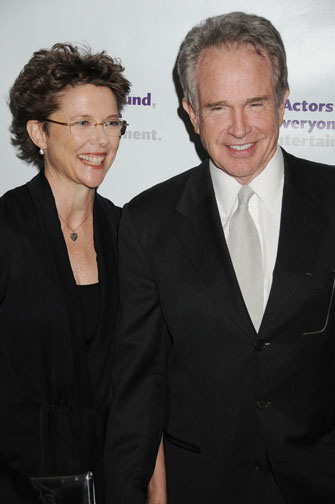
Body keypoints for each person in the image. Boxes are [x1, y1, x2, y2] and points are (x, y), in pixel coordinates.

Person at [104, 11, 335, 504]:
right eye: (217, 108)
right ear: (190, 112)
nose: (239, 129)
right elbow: (138, 388)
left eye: (255, 103)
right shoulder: (147, 222)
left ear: (284, 101)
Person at [0, 43, 165, 503]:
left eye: (111, 123)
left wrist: (157, 490)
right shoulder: (6, 230)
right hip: (17, 484)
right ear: (38, 132)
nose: (101, 140)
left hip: (116, 481)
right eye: (82, 123)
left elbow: (144, 379)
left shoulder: (128, 232)